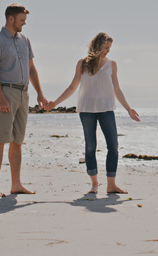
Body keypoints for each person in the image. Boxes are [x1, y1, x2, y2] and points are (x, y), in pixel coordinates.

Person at [45, 32, 140, 194]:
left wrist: (129, 108)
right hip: (86, 110)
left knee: (113, 145)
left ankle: (111, 184)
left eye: (110, 48)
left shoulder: (112, 65)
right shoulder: (82, 64)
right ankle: (94, 184)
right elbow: (72, 87)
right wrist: (55, 103)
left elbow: (117, 89)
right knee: (90, 146)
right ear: (97, 47)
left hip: (106, 109)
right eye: (105, 48)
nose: (108, 51)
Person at [0, 3, 48, 197]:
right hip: (5, 92)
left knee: (17, 141)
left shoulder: (25, 41)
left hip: (23, 94)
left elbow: (31, 69)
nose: (24, 24)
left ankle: (16, 184)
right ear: (11, 19)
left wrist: (40, 93)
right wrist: (1, 97)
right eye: (22, 20)